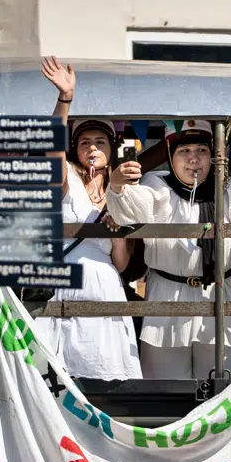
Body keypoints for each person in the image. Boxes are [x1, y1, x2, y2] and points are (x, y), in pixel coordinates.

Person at [106, 119, 231, 380]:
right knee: (166, 387)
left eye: (201, 151)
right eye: (184, 152)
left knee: (223, 391)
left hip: (223, 295)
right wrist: (118, 187)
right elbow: (135, 208)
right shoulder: (157, 184)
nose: (193, 160)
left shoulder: (228, 187)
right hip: (167, 299)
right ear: (170, 156)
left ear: (213, 155)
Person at [33, 56, 142, 381]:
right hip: (66, 279)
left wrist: (119, 232)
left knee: (104, 373)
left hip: (104, 283)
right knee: (58, 374)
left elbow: (122, 264)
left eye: (99, 141)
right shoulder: (68, 176)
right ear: (76, 150)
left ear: (111, 147)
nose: (92, 147)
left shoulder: (124, 190)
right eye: (84, 142)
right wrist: (64, 98)